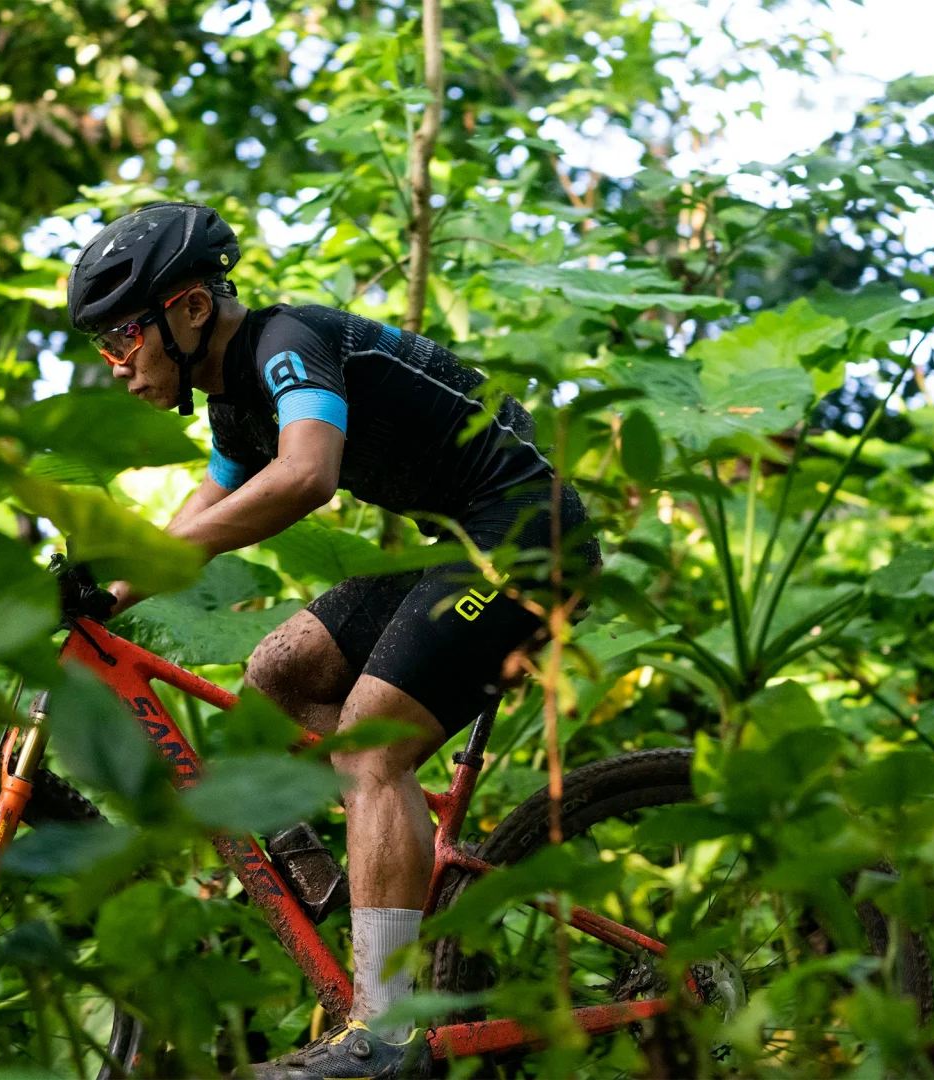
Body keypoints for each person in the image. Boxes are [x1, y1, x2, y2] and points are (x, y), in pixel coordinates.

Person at [65, 202, 599, 1079]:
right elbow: (202, 510)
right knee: (279, 670)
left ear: (192, 308)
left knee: (369, 747)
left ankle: (386, 1039)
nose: (118, 365)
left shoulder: (286, 343)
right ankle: (344, 884)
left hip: (529, 536)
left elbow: (305, 475)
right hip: (462, 543)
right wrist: (106, 592)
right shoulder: (233, 402)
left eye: (125, 337)